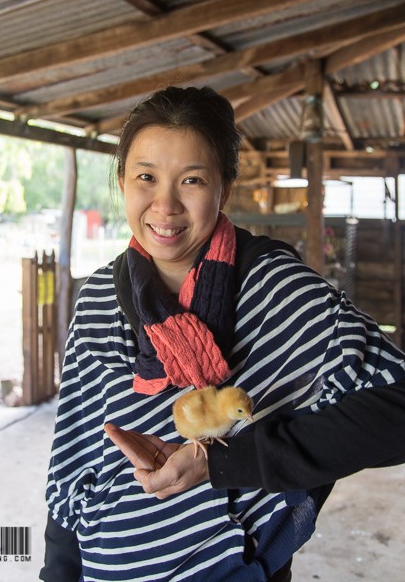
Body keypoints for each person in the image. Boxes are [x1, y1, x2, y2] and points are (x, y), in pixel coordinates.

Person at [40, 86, 405, 582]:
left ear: (224, 189)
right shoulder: (100, 298)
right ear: (122, 180)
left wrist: (226, 464)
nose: (164, 205)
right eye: (145, 176)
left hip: (235, 566)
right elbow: (75, 453)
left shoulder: (274, 287)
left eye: (191, 180)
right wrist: (58, 573)